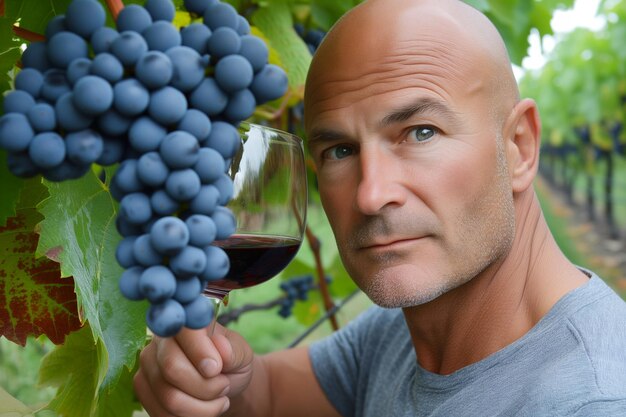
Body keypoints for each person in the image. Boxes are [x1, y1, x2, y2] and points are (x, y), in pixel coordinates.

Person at [133, 0, 626, 415]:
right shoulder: (410, 328)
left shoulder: (589, 401)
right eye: (339, 151)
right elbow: (267, 394)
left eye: (420, 132)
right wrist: (218, 382)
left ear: (519, 146)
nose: (371, 194)